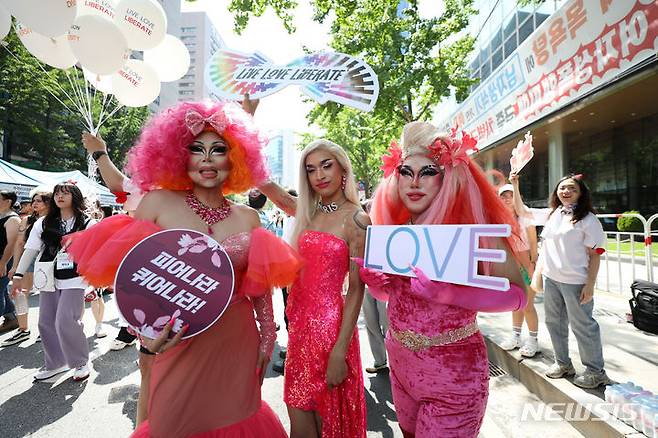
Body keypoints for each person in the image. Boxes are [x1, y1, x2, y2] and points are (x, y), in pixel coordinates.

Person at [67, 100, 299, 438]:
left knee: (236, 420)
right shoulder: (158, 203)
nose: (207, 158)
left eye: (218, 149)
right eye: (196, 149)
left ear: (234, 158)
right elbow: (132, 277)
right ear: (178, 156)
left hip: (236, 340)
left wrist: (267, 338)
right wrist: (144, 335)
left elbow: (259, 287)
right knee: (173, 422)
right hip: (177, 338)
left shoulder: (248, 217)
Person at [358, 122, 527, 438]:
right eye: (406, 172)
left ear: (447, 175)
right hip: (401, 368)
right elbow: (388, 299)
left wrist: (451, 293)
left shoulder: (473, 228)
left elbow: (519, 297)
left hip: (455, 377)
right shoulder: (393, 230)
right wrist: (377, 281)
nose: (415, 182)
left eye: (428, 172)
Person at [260, 139, 369, 438]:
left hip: (332, 332)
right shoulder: (308, 211)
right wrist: (241, 125)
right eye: (311, 169)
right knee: (299, 418)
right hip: (300, 330)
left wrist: (339, 352)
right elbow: (267, 185)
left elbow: (357, 290)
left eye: (326, 165)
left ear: (343, 169)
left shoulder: (357, 220)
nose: (319, 175)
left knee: (330, 423)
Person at [12, 183, 96, 381]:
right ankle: (56, 363)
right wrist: (17, 275)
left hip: (76, 277)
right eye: (57, 193)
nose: (60, 196)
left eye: (65, 193)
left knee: (66, 320)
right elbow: (31, 249)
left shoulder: (88, 223)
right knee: (46, 322)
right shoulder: (43, 222)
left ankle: (81, 361)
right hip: (48, 275)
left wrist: (95, 281)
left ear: (75, 197)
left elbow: (96, 253)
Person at [537, 174, 610, 389]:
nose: (566, 192)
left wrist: (590, 285)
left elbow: (595, 254)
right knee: (554, 323)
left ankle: (596, 372)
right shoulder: (554, 215)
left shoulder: (588, 220)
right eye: (562, 188)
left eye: (572, 188)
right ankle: (563, 363)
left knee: (583, 326)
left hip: (576, 282)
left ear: (581, 193)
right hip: (552, 280)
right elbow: (546, 247)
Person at [2, 190, 51, 347]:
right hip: (28, 260)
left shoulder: (55, 220)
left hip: (48, 261)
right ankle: (23, 329)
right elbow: (19, 243)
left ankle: (46, 330)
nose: (34, 203)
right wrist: (15, 266)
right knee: (20, 295)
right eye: (33, 200)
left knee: (47, 297)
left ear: (49, 203)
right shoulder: (26, 220)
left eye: (39, 201)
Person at [498, 183, 539, 357]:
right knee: (516, 303)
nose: (507, 199)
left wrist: (532, 264)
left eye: (510, 195)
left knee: (528, 305)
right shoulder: (499, 216)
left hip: (527, 262)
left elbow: (533, 241)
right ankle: (516, 336)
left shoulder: (525, 215)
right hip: (511, 264)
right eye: (503, 196)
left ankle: (533, 340)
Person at [360, 201, 389, 374]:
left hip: (385, 284)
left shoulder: (387, 229)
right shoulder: (360, 230)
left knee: (387, 323)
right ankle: (380, 361)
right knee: (371, 322)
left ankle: (397, 362)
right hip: (365, 282)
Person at [272, 188, 298, 374]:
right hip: (286, 273)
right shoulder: (288, 219)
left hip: (296, 276)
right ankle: (292, 351)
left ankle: (295, 356)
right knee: (288, 314)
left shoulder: (298, 218)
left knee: (294, 316)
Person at [0, 191, 21, 335]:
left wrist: (2, 263)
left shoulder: (13, 219)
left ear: (8, 201)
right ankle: (11, 318)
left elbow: (12, 244)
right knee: (1, 289)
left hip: (4, 258)